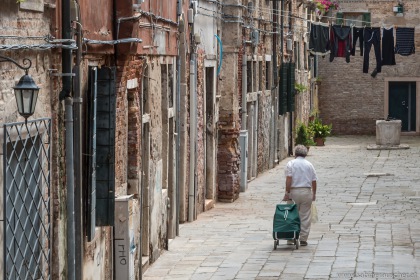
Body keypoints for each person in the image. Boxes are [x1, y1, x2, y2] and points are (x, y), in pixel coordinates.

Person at [283, 145, 317, 246]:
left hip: (293, 191)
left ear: (295, 153)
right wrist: (314, 193)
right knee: (305, 215)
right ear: (305, 154)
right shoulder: (309, 165)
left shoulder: (291, 163)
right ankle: (303, 238)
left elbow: (289, 179)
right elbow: (314, 180)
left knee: (291, 215)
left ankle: (290, 237)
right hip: (306, 191)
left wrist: (287, 193)